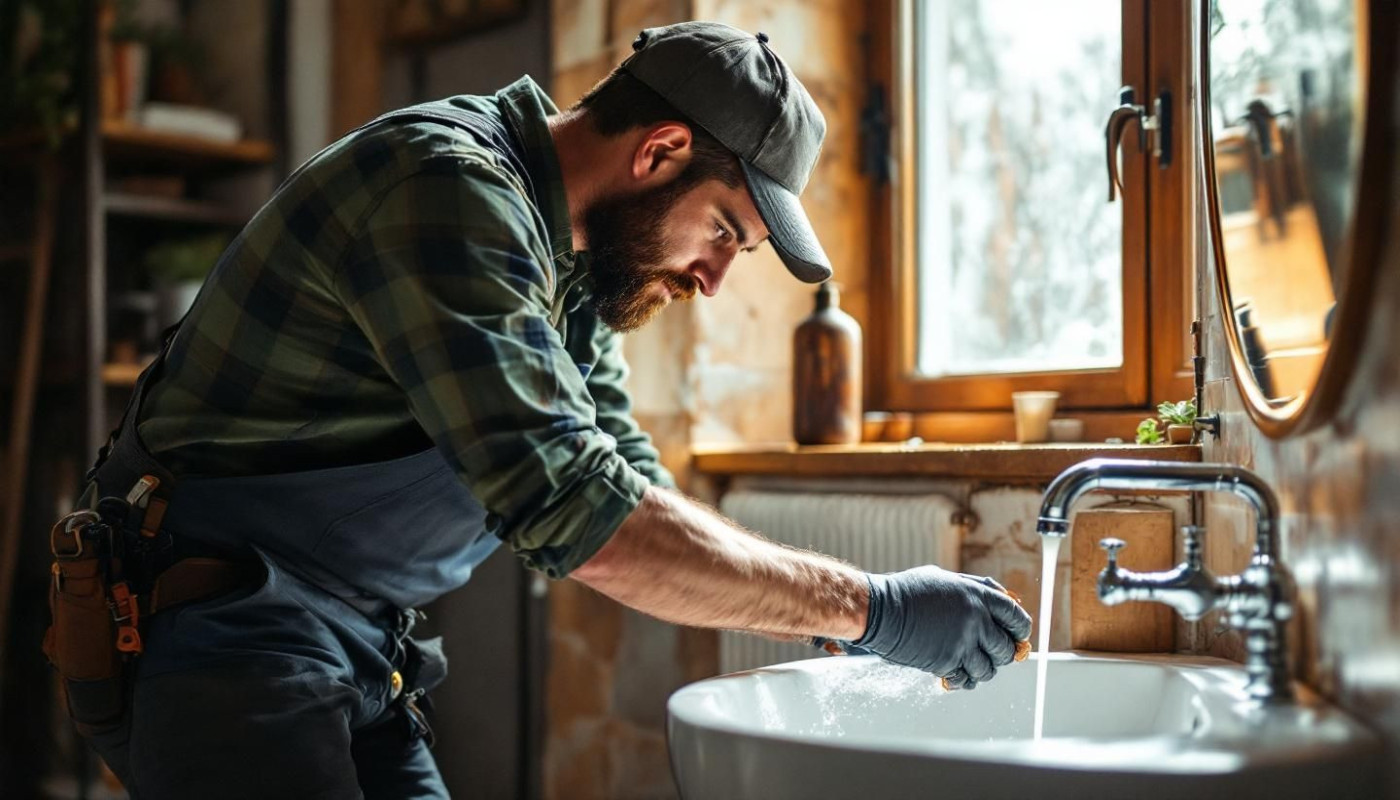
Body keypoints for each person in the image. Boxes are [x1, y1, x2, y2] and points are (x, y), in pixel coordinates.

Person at [58, 21, 1032, 798]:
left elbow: (627, 478)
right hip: (217, 627)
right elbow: (584, 518)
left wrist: (826, 614)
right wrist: (869, 608)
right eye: (726, 233)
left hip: (349, 639)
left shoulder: (564, 266)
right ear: (661, 151)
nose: (711, 279)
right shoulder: (446, 189)